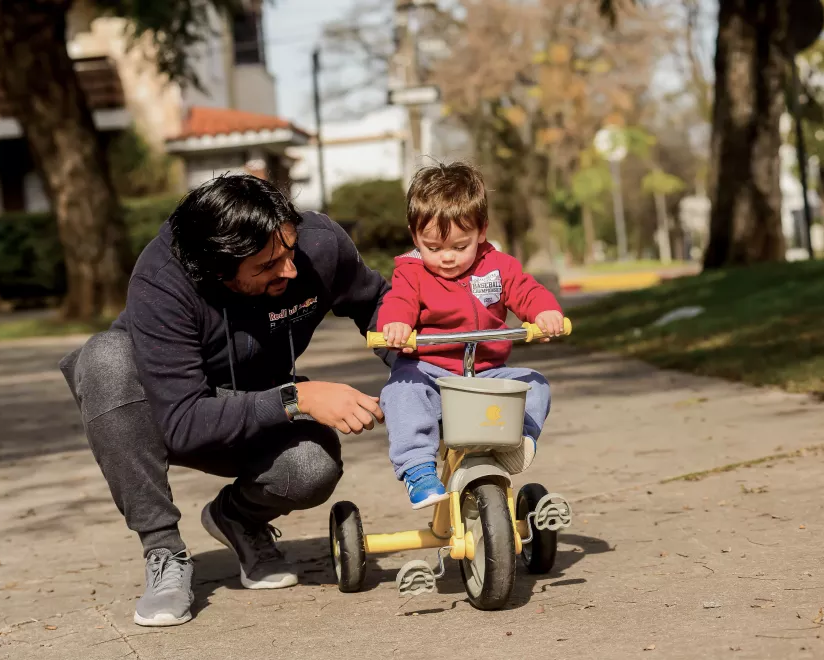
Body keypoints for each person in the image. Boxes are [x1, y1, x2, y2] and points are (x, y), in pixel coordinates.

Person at [58, 175, 391, 627]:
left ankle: (237, 518)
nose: (289, 270)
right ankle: (163, 551)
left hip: (253, 401)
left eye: (289, 250)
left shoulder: (318, 245)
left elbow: (377, 304)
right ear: (220, 269)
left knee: (313, 467)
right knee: (105, 360)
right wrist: (298, 398)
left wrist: (421, 372)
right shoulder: (162, 283)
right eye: (268, 265)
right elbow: (183, 423)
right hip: (166, 408)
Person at [376, 162, 565, 509]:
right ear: (415, 236)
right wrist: (396, 325)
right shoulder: (411, 272)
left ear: (481, 231)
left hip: (486, 371)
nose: (446, 258)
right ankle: (417, 467)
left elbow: (525, 291)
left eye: (459, 246)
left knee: (533, 383)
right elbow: (398, 301)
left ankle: (517, 442)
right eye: (433, 247)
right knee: (401, 393)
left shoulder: (499, 266)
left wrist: (544, 312)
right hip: (430, 370)